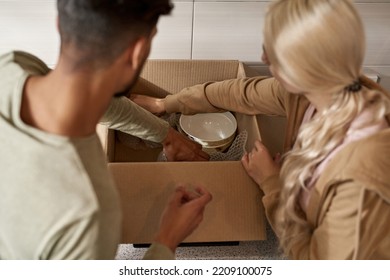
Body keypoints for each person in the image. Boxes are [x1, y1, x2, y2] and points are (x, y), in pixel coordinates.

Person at [131, 0, 390, 259]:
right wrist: (165, 103)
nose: (264, 59)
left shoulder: (364, 179)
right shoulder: (311, 93)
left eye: (270, 52)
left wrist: (271, 183)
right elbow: (239, 93)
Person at [0, 0, 212, 260]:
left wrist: (166, 134)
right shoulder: (87, 218)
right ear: (137, 52)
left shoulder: (11, 67)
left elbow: (90, 97)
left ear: (60, 25)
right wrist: (166, 240)